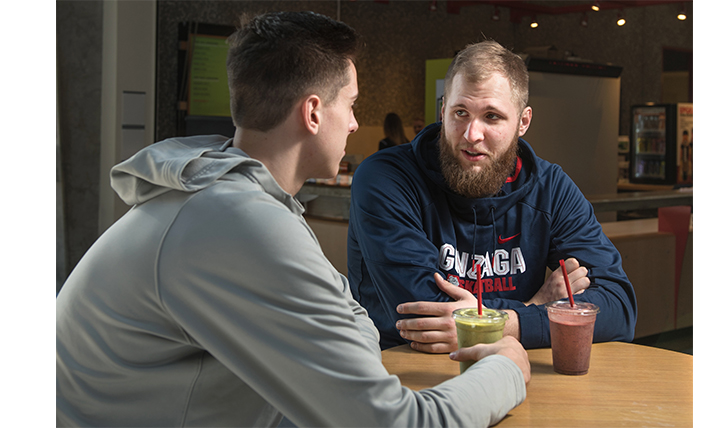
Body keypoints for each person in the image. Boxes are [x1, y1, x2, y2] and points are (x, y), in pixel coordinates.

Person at [56, 12, 530, 427]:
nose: (351, 123)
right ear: (312, 113)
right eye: (350, 105)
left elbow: (356, 331)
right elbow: (396, 423)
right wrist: (508, 364)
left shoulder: (234, 199)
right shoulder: (237, 224)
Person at [347, 40, 637, 353]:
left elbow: (619, 308)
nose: (472, 134)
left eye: (492, 116)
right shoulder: (387, 177)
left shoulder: (550, 189)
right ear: (443, 111)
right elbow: (424, 313)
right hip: (398, 374)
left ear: (523, 122)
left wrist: (510, 323)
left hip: (509, 373)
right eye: (460, 112)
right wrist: (535, 304)